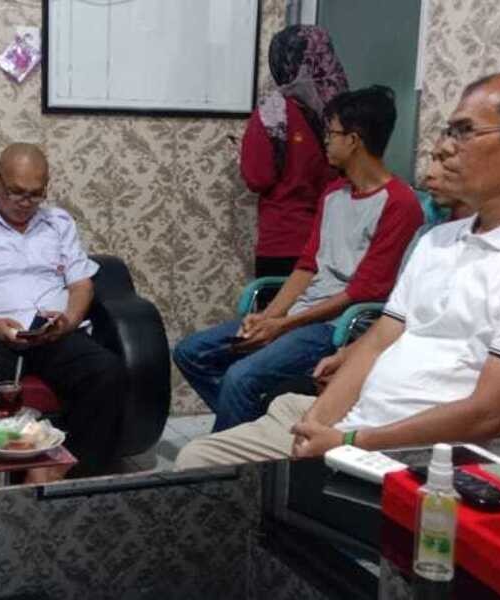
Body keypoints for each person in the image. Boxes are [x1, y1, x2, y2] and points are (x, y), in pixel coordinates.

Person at [176, 70, 500, 469]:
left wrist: (346, 441)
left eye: (464, 131)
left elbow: (490, 414)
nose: (447, 146)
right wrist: (317, 427)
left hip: (416, 458)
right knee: (201, 457)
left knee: (217, 441)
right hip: (354, 421)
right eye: (448, 131)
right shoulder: (439, 239)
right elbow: (378, 340)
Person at [174, 86, 424, 432]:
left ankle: (236, 453)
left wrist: (283, 326)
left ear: (354, 140)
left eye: (331, 133)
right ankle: (256, 430)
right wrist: (268, 318)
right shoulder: (333, 193)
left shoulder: (400, 203)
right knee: (192, 352)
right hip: (301, 314)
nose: (325, 141)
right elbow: (307, 266)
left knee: (240, 378)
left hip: (337, 326)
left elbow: (364, 291)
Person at [0, 143, 126, 475]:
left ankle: (70, 473)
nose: (24, 202)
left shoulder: (59, 223)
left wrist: (68, 321)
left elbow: (82, 284)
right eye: (15, 192)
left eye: (35, 194)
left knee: (105, 370)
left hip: (52, 335)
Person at [242, 25, 349, 278]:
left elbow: (258, 178)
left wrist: (246, 151)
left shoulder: (272, 113)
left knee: (278, 304)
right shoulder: (343, 115)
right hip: (334, 241)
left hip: (284, 241)